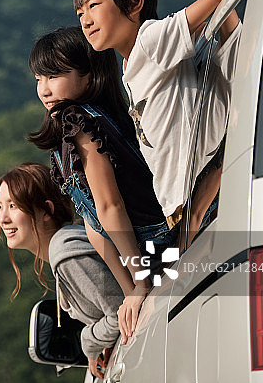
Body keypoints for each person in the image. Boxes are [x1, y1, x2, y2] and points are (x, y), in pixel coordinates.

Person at [73, 0, 241, 246]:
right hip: (180, 207)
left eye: (93, 5)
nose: (85, 19)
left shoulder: (150, 40)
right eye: (79, 13)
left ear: (134, 2)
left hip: (199, 200)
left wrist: (234, 40)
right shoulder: (130, 65)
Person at [27, 26, 173, 340]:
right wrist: (129, 293)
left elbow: (110, 206)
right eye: (39, 78)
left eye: (54, 76)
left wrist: (139, 282)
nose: (44, 90)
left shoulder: (78, 122)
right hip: (149, 246)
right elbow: (94, 225)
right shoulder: (76, 128)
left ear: (89, 76)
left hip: (160, 242)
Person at [0, 162, 121, 379]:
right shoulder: (69, 242)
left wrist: (88, 342)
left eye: (13, 206)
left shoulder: (67, 253)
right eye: (0, 206)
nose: (3, 218)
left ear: (46, 211)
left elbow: (121, 311)